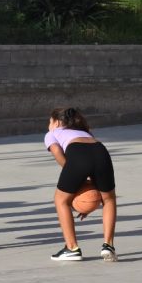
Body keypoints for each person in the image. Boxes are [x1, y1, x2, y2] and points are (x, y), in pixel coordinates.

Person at [45, 107, 118, 262]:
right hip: (101, 152)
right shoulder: (85, 132)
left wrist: (75, 177)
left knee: (61, 200)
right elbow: (91, 161)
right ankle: (108, 245)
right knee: (109, 199)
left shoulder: (52, 133)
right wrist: (87, 189)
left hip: (77, 154)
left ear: (57, 122)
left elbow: (57, 152)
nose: (48, 125)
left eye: (49, 122)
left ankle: (72, 248)